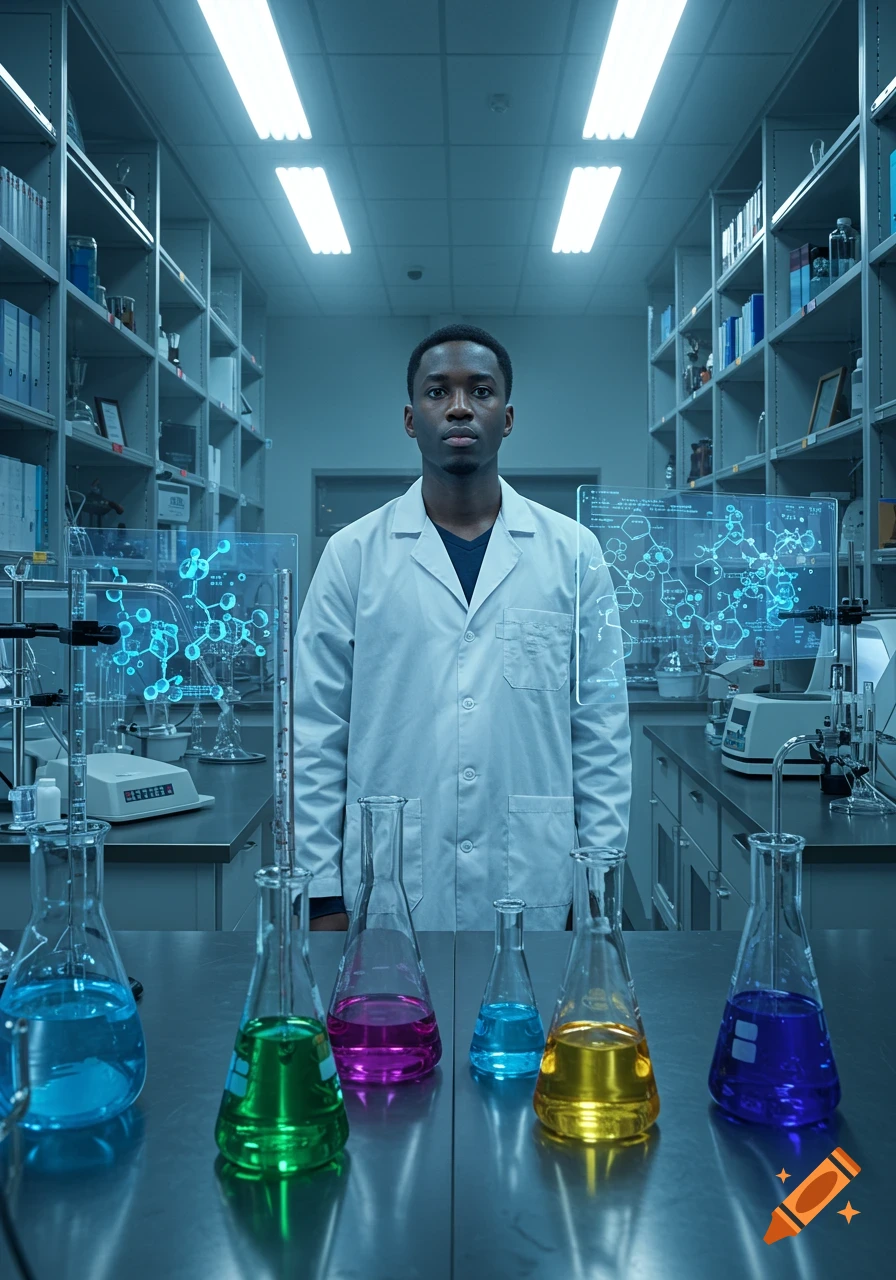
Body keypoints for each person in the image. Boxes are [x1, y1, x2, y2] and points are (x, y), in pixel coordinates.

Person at [294, 323, 630, 931]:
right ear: (408, 417)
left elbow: (601, 733)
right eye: (436, 391)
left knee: (521, 1024)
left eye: (480, 390)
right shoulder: (352, 556)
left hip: (535, 878)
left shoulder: (574, 554)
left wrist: (598, 885)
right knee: (393, 1027)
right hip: (387, 886)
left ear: (507, 417)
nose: (458, 407)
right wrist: (321, 895)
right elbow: (315, 735)